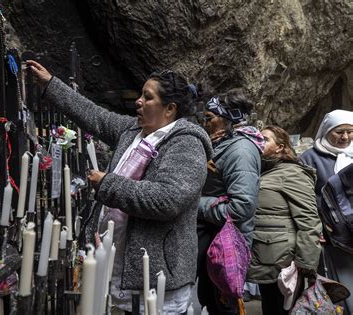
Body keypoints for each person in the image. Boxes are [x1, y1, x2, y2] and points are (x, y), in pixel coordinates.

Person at [27, 60, 213, 314]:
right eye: (140, 95)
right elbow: (95, 116)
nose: (138, 101)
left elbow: (167, 200)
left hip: (158, 280)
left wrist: (108, 184)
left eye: (147, 97)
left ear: (169, 109)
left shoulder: (186, 144)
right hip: (123, 266)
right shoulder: (134, 132)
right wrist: (51, 85)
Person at [197, 90, 263, 314]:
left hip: (226, 245)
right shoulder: (224, 144)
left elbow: (242, 207)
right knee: (212, 299)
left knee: (224, 305)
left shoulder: (240, 151)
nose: (204, 123)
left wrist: (196, 203)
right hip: (214, 239)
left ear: (226, 119)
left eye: (209, 118)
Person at [247, 125, 322, 315]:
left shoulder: (292, 173)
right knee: (270, 306)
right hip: (265, 254)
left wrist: (306, 265)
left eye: (265, 139)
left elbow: (308, 219)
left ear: (280, 147)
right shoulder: (264, 171)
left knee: (282, 308)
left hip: (283, 261)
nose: (258, 141)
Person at [301, 109, 353, 314]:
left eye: (350, 132)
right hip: (331, 235)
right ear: (326, 130)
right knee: (337, 284)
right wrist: (319, 224)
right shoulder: (310, 158)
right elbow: (305, 198)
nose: (346, 137)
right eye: (339, 132)